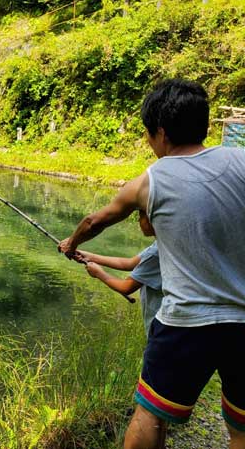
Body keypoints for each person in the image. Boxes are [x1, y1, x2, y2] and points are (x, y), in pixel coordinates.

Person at [58, 79, 245, 449]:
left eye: (147, 134)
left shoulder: (150, 181)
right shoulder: (241, 160)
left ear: (160, 132)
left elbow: (94, 221)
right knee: (241, 426)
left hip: (186, 323)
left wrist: (72, 243)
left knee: (150, 415)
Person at [77, 210, 162, 335]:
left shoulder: (156, 253)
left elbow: (126, 287)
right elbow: (129, 263)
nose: (138, 220)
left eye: (141, 216)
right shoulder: (160, 245)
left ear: (153, 219)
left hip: (162, 323)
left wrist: (98, 273)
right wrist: (89, 256)